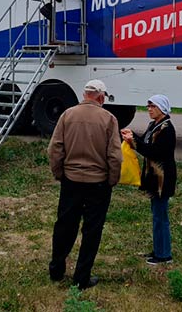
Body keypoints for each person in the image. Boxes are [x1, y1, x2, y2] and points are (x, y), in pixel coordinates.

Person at [47, 79, 122, 290]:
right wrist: (112, 179)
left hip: (71, 181)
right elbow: (115, 155)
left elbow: (55, 149)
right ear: (101, 97)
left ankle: (56, 270)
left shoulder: (67, 115)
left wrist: (59, 173)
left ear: (84, 94)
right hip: (98, 183)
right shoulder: (109, 119)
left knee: (64, 225)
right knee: (92, 230)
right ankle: (81, 277)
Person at [121, 94, 176, 265]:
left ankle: (164, 255)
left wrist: (134, 143)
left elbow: (154, 152)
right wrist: (133, 136)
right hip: (153, 178)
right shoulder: (154, 125)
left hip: (162, 179)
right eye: (148, 106)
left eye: (153, 106)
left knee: (160, 216)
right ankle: (159, 249)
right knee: (156, 215)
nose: (149, 109)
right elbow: (145, 143)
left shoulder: (166, 129)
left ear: (162, 109)